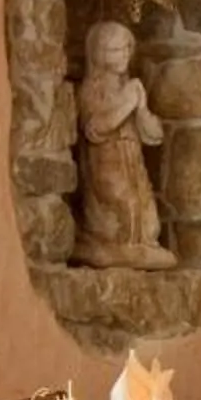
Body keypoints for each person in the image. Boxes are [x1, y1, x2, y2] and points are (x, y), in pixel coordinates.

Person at [74, 18, 177, 269]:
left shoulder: (133, 87)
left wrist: (141, 109)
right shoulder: (91, 89)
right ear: (99, 54)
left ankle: (138, 250)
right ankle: (105, 246)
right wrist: (126, 103)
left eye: (127, 48)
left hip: (133, 163)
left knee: (149, 224)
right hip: (106, 166)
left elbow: (153, 135)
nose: (125, 55)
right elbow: (94, 129)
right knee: (121, 216)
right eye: (117, 50)